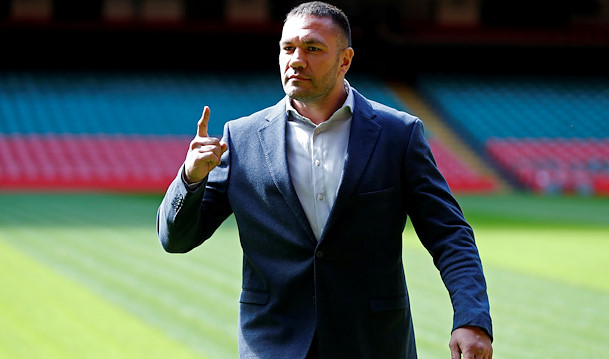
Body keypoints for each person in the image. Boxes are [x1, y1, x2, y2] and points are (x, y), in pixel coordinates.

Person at [157, 2, 492, 358]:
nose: (296, 60)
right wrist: (190, 179)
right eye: (288, 48)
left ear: (345, 60)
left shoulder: (399, 134)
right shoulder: (240, 138)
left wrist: (471, 319)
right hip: (275, 344)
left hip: (373, 344)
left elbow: (449, 234)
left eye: (313, 48)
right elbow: (175, 239)